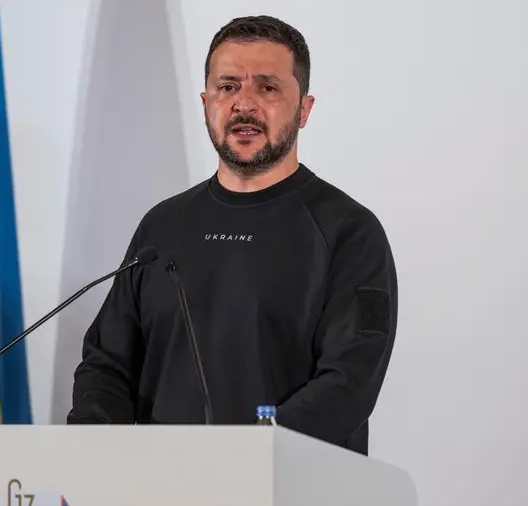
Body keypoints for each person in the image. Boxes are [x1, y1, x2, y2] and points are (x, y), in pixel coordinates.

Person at [66, 14, 397, 456]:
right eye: (227, 87)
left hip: (290, 480)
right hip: (161, 481)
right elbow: (107, 363)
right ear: (207, 103)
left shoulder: (350, 232)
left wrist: (247, 454)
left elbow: (349, 381)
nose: (244, 104)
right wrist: (92, 447)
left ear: (304, 109)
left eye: (267, 87)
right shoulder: (162, 227)